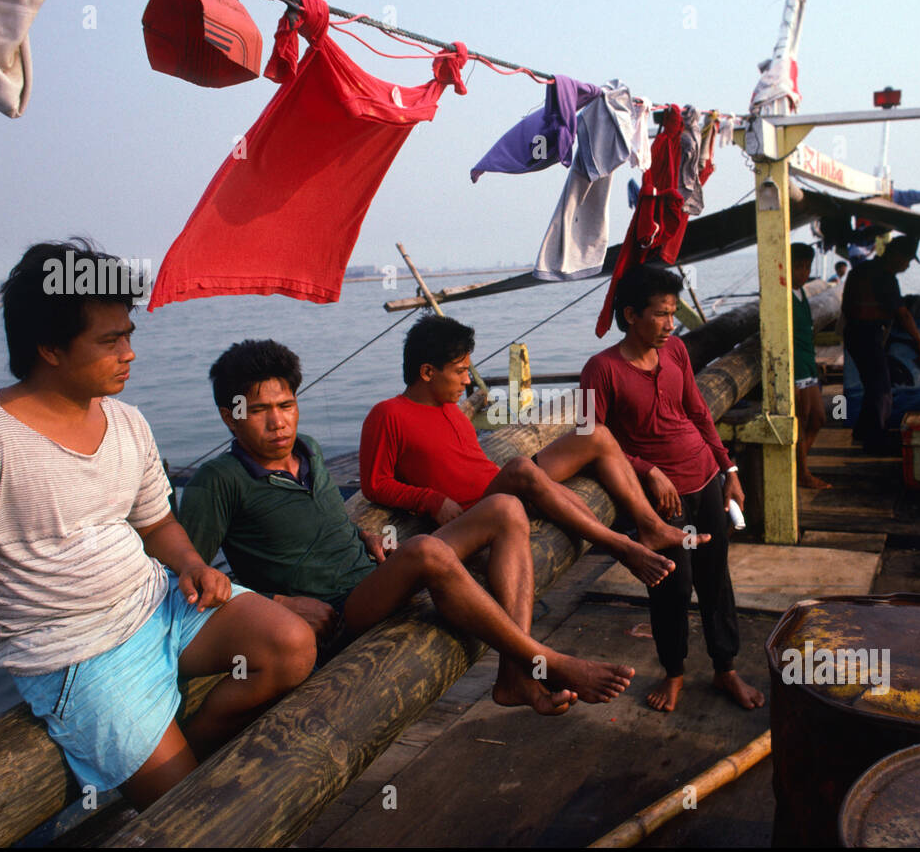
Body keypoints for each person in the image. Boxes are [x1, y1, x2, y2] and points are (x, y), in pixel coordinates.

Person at [0, 240, 316, 811]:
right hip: (78, 658)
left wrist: (191, 565)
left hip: (161, 607)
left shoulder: (127, 422)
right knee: (191, 813)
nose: (129, 354)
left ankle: (178, 749)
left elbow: (156, 521)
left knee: (292, 645)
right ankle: (166, 767)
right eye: (110, 341)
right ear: (50, 348)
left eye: (129, 335)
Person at [178, 339, 634, 715]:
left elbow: (310, 522)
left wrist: (360, 534)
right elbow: (183, 579)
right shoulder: (218, 482)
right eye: (258, 410)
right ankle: (545, 661)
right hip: (334, 615)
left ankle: (513, 675)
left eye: (286, 405)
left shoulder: (310, 450)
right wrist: (278, 603)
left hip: (371, 576)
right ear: (229, 415)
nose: (278, 422)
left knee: (505, 508)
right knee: (426, 551)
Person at [360, 315, 703, 587]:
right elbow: (376, 483)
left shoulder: (451, 408)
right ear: (426, 372)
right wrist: (431, 500)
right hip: (475, 511)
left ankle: (649, 527)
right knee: (521, 467)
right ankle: (622, 547)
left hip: (501, 486)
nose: (467, 381)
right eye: (461, 371)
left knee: (594, 433)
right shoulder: (388, 413)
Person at [581, 265, 762, 713]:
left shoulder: (677, 350)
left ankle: (726, 670)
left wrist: (730, 470)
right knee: (673, 587)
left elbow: (698, 412)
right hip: (661, 503)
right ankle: (674, 673)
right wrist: (647, 470)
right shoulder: (599, 370)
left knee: (716, 581)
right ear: (629, 315)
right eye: (659, 315)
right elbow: (588, 439)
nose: (668, 324)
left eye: (671, 314)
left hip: (704, 481)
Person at [841, 235, 920, 455]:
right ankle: (875, 440)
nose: (907, 265)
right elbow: (904, 314)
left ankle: (862, 431)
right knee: (882, 391)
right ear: (896, 256)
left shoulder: (861, 270)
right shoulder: (885, 277)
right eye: (907, 260)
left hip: (854, 333)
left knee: (873, 386)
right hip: (867, 335)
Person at [790, 243, 830, 489]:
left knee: (818, 418)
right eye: (798, 267)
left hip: (807, 363)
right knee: (802, 421)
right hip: (795, 368)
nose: (803, 273)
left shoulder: (801, 293)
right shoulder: (782, 294)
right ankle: (802, 473)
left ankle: (796, 467)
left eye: (807, 267)